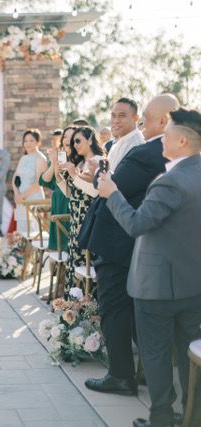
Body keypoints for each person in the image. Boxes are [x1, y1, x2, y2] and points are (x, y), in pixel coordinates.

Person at [98, 107, 201, 427]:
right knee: (187, 354)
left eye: (166, 135)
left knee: (155, 354)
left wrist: (112, 193)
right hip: (193, 283)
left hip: (156, 286)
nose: (160, 141)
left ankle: (160, 418)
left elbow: (136, 224)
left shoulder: (170, 182)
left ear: (183, 140)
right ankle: (191, 414)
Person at [78, 95, 176, 396]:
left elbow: (114, 188)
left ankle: (120, 375)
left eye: (145, 115)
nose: (142, 121)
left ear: (164, 121)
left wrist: (98, 175)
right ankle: (145, 372)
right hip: (132, 241)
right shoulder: (165, 153)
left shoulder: (148, 152)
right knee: (131, 311)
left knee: (114, 308)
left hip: (118, 241)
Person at [58, 127, 105, 291]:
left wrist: (73, 174)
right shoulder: (80, 163)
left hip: (88, 218)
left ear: (90, 139)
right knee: (74, 263)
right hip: (75, 218)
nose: (75, 145)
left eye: (78, 140)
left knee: (85, 263)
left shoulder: (99, 160)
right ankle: (72, 306)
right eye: (73, 142)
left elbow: (95, 191)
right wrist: (59, 176)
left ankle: (87, 306)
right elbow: (70, 194)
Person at [39, 126, 75, 254]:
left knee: (65, 247)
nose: (67, 139)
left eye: (71, 137)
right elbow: (44, 180)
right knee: (55, 248)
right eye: (65, 136)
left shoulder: (78, 158)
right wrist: (53, 162)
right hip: (57, 201)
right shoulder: (61, 156)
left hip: (68, 203)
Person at [12, 129, 47, 236]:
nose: (28, 143)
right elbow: (15, 178)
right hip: (20, 199)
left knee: (34, 232)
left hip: (34, 198)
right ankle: (22, 252)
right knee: (21, 231)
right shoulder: (23, 158)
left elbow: (39, 183)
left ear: (37, 142)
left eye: (31, 140)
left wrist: (22, 195)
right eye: (26, 141)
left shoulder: (41, 158)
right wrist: (17, 194)